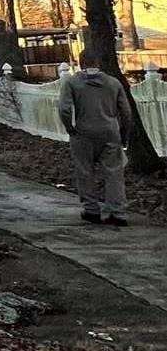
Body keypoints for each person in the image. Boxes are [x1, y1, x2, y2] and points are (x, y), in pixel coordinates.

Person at [57, 50, 132, 227]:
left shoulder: (72, 82)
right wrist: (124, 135)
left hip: (83, 133)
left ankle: (91, 210)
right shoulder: (114, 83)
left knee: (85, 171)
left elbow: (64, 109)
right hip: (110, 132)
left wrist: (70, 128)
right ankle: (118, 213)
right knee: (114, 173)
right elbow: (126, 112)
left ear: (81, 63)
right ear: (98, 63)